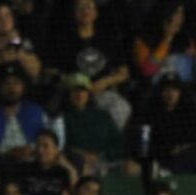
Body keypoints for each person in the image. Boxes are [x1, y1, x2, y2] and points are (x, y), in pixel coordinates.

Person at [43, 0, 132, 130]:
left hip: (100, 91)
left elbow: (124, 73)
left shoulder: (108, 38)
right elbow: (48, 70)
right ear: (74, 13)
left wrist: (106, 81)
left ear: (95, 13)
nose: (85, 11)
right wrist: (69, 80)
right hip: (72, 92)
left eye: (89, 7)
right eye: (81, 8)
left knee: (121, 107)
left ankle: (102, 142)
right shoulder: (62, 39)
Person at [0, 62, 49, 163]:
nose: (11, 88)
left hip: (32, 163)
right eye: (7, 83)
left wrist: (31, 150)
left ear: (23, 87)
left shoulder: (36, 111)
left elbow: (49, 140)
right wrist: (9, 152)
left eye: (16, 83)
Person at [59, 73, 123, 176]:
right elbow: (62, 147)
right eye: (75, 90)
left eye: (83, 90)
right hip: (78, 164)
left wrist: (102, 156)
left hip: (106, 161)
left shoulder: (103, 116)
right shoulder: (63, 118)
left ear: (89, 94)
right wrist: (83, 155)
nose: (79, 94)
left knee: (132, 168)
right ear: (69, 94)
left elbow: (118, 142)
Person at [17, 129, 76, 195]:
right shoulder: (26, 169)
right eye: (38, 146)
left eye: (45, 146)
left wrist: (70, 170)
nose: (40, 150)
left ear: (56, 149)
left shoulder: (63, 172)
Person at [134, 1, 195, 83]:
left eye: (182, 13)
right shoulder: (144, 40)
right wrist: (167, 39)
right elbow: (148, 71)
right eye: (176, 12)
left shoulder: (186, 37)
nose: (180, 18)